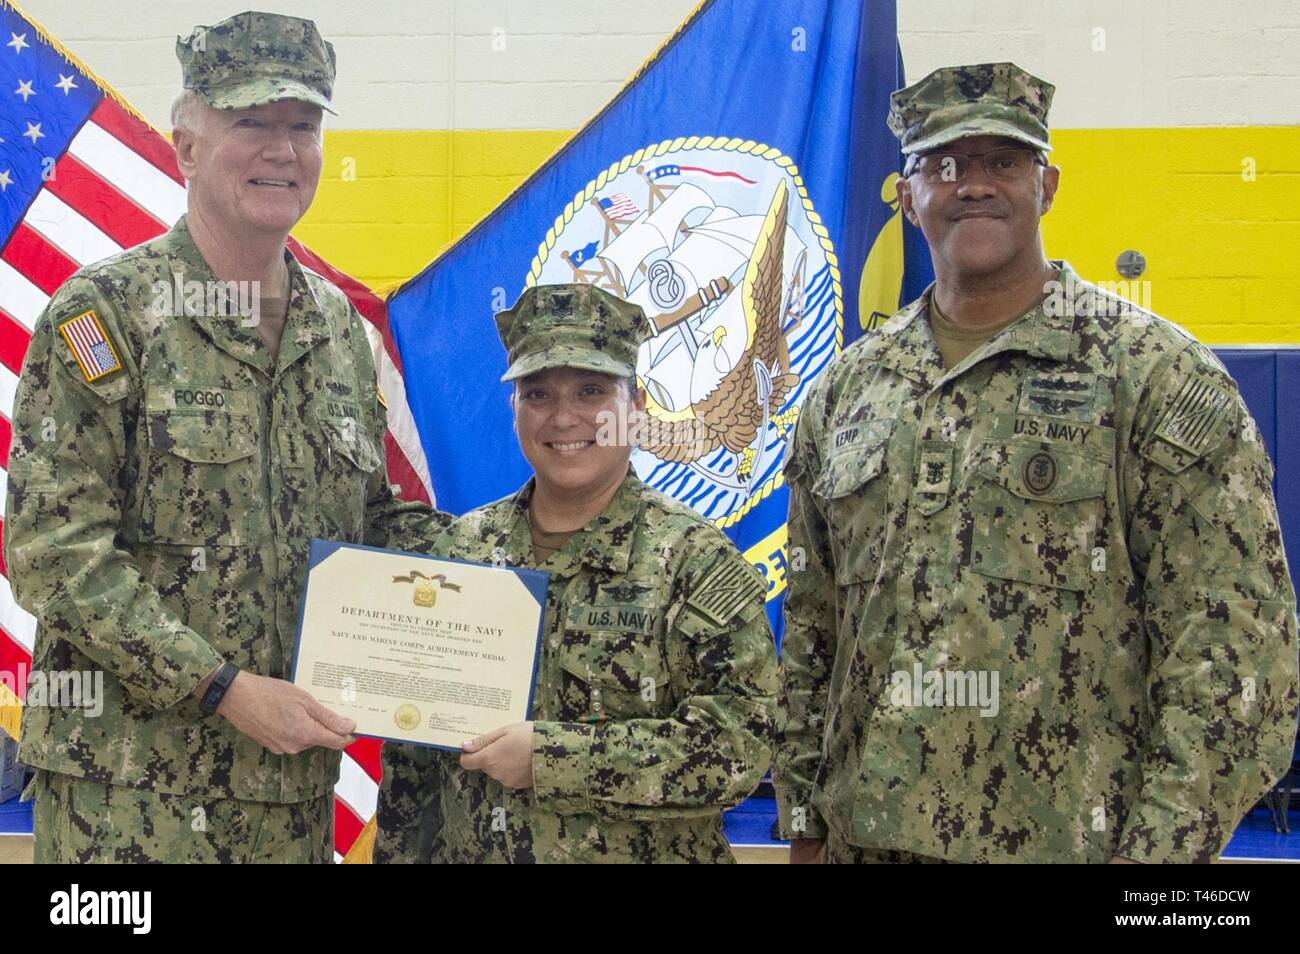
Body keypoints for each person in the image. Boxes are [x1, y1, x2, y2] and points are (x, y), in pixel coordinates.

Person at [773, 62, 1299, 864]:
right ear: (908, 194)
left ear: (1047, 185)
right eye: (944, 165)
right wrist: (804, 827)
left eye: (1004, 162)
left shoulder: (1154, 377)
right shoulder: (847, 393)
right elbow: (812, 630)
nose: (973, 184)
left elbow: (1234, 657)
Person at [5, 11, 447, 863]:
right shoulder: (106, 316)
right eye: (251, 122)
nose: (283, 150)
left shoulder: (339, 332)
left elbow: (367, 523)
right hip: (130, 803)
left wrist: (485, 565)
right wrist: (222, 689)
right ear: (188, 146)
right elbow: (55, 554)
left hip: (287, 799)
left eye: (303, 126)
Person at [376, 283, 778, 863]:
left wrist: (552, 760)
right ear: (514, 408)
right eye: (537, 393)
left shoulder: (693, 560)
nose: (564, 417)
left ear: (635, 407)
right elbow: (415, 761)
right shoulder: (463, 550)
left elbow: (740, 745)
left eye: (591, 390)